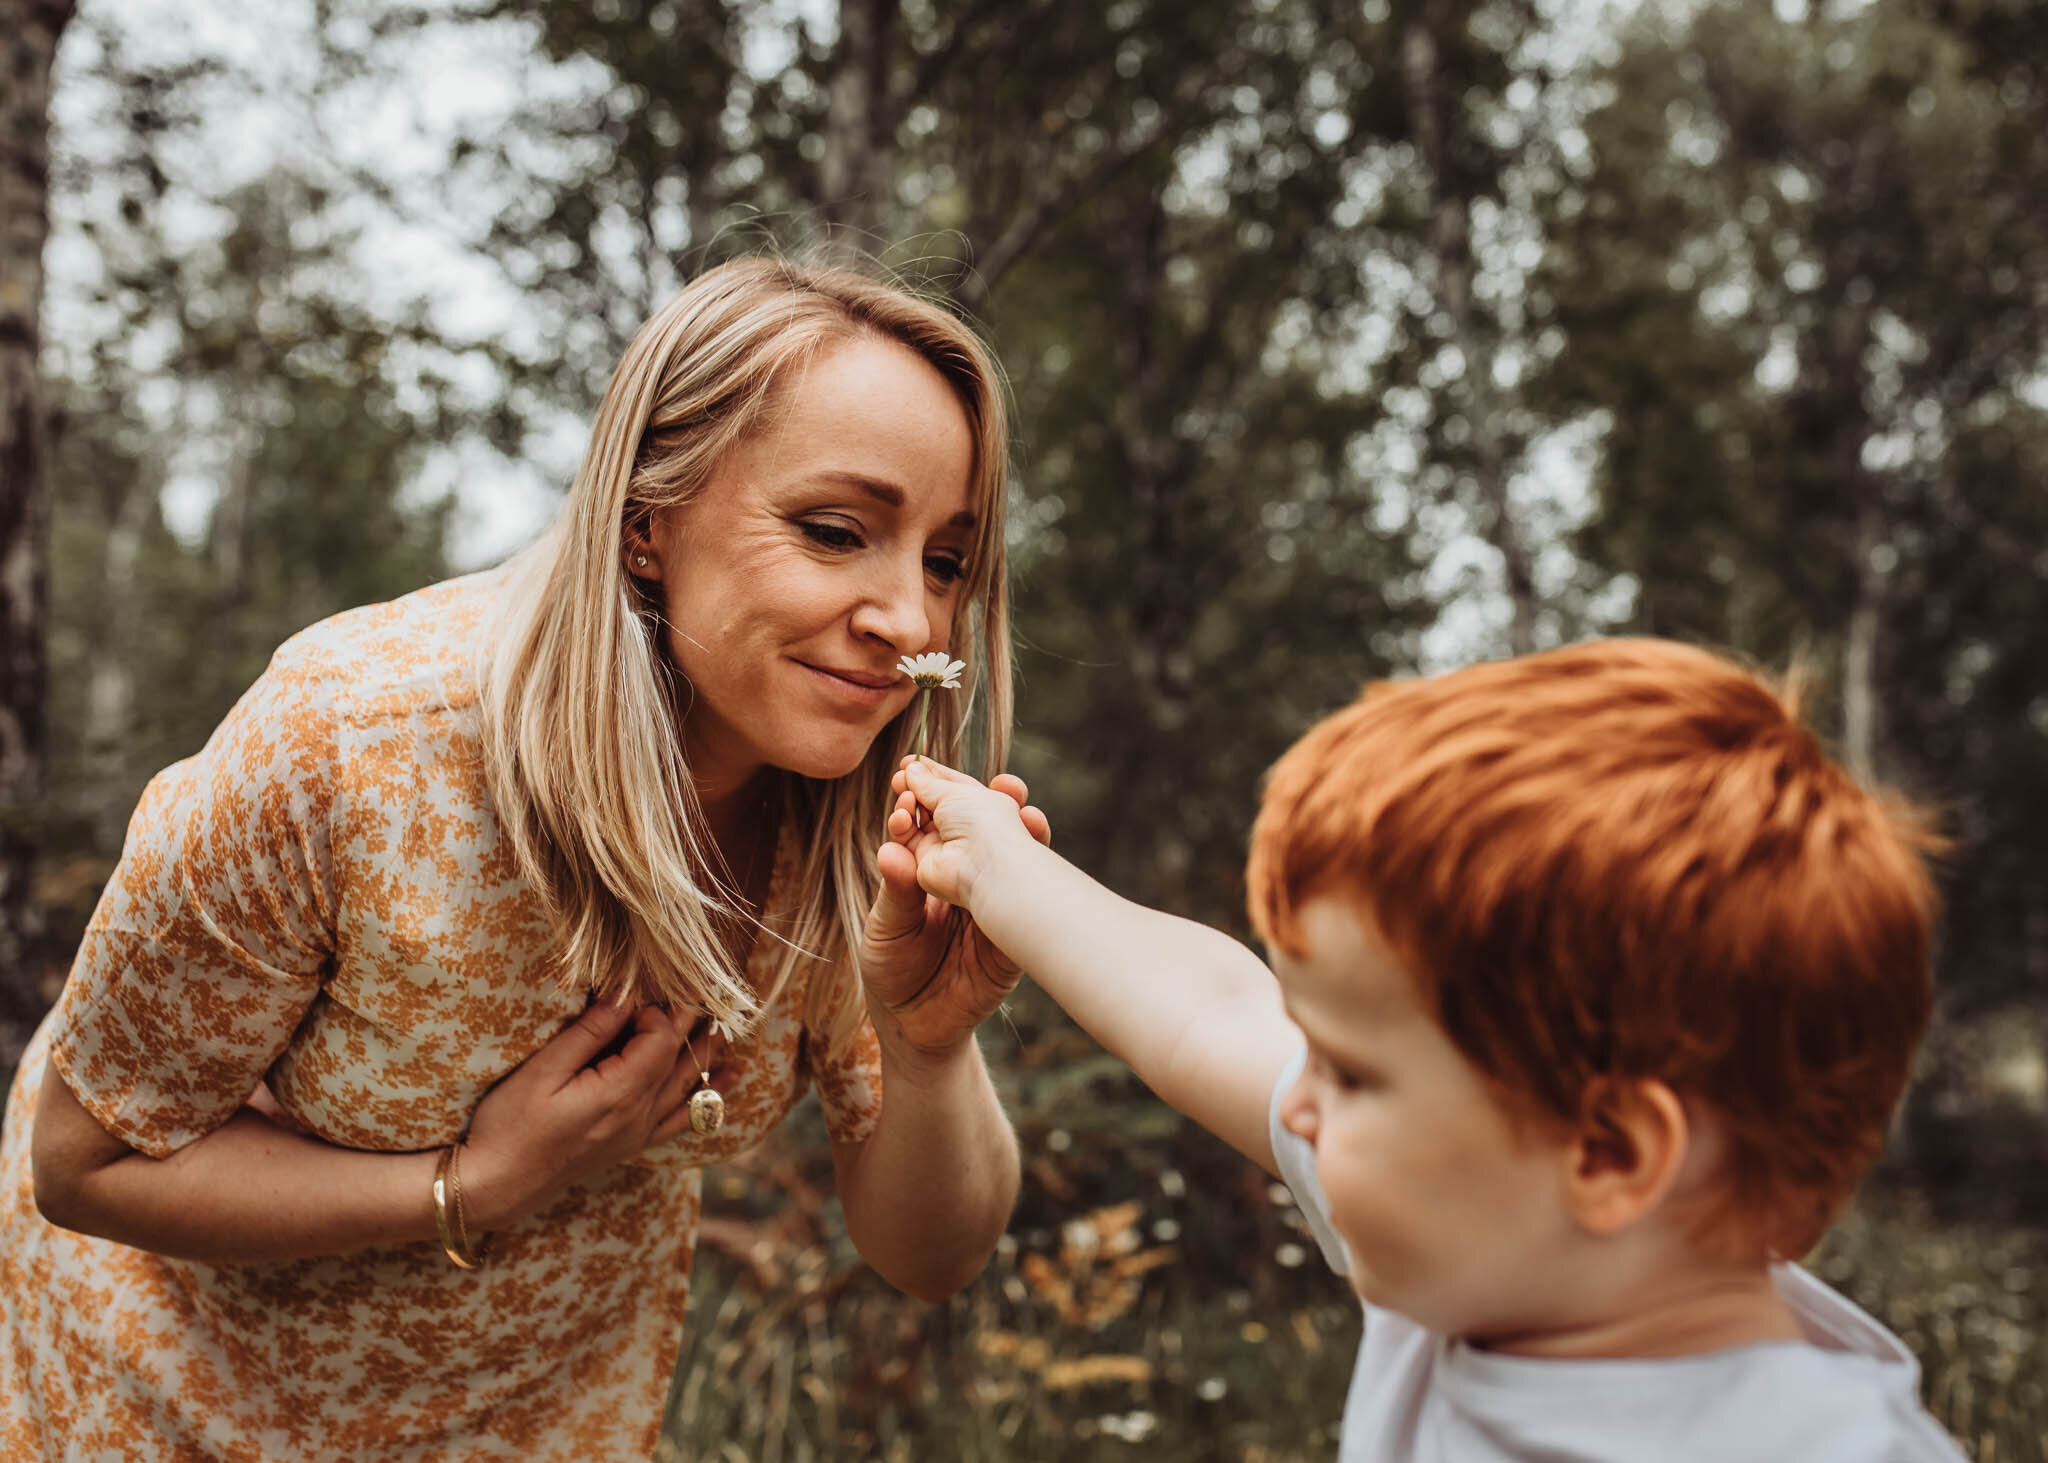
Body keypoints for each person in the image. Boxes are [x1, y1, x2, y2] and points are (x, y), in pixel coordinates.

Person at [1, 255, 1048, 1462]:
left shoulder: (858, 821)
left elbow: (933, 1255)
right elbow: (82, 1164)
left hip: (546, 1421)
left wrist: (926, 1044)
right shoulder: (352, 747)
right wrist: (471, 1183)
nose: (911, 622)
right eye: (833, 531)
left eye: (945, 560)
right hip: (168, 1402)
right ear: (646, 521)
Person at [880, 638, 1972, 1461]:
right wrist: (1000, 873)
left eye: (1348, 1072)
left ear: (1607, 1151)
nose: (1296, 1105)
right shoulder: (1491, 1244)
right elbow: (1207, 1012)